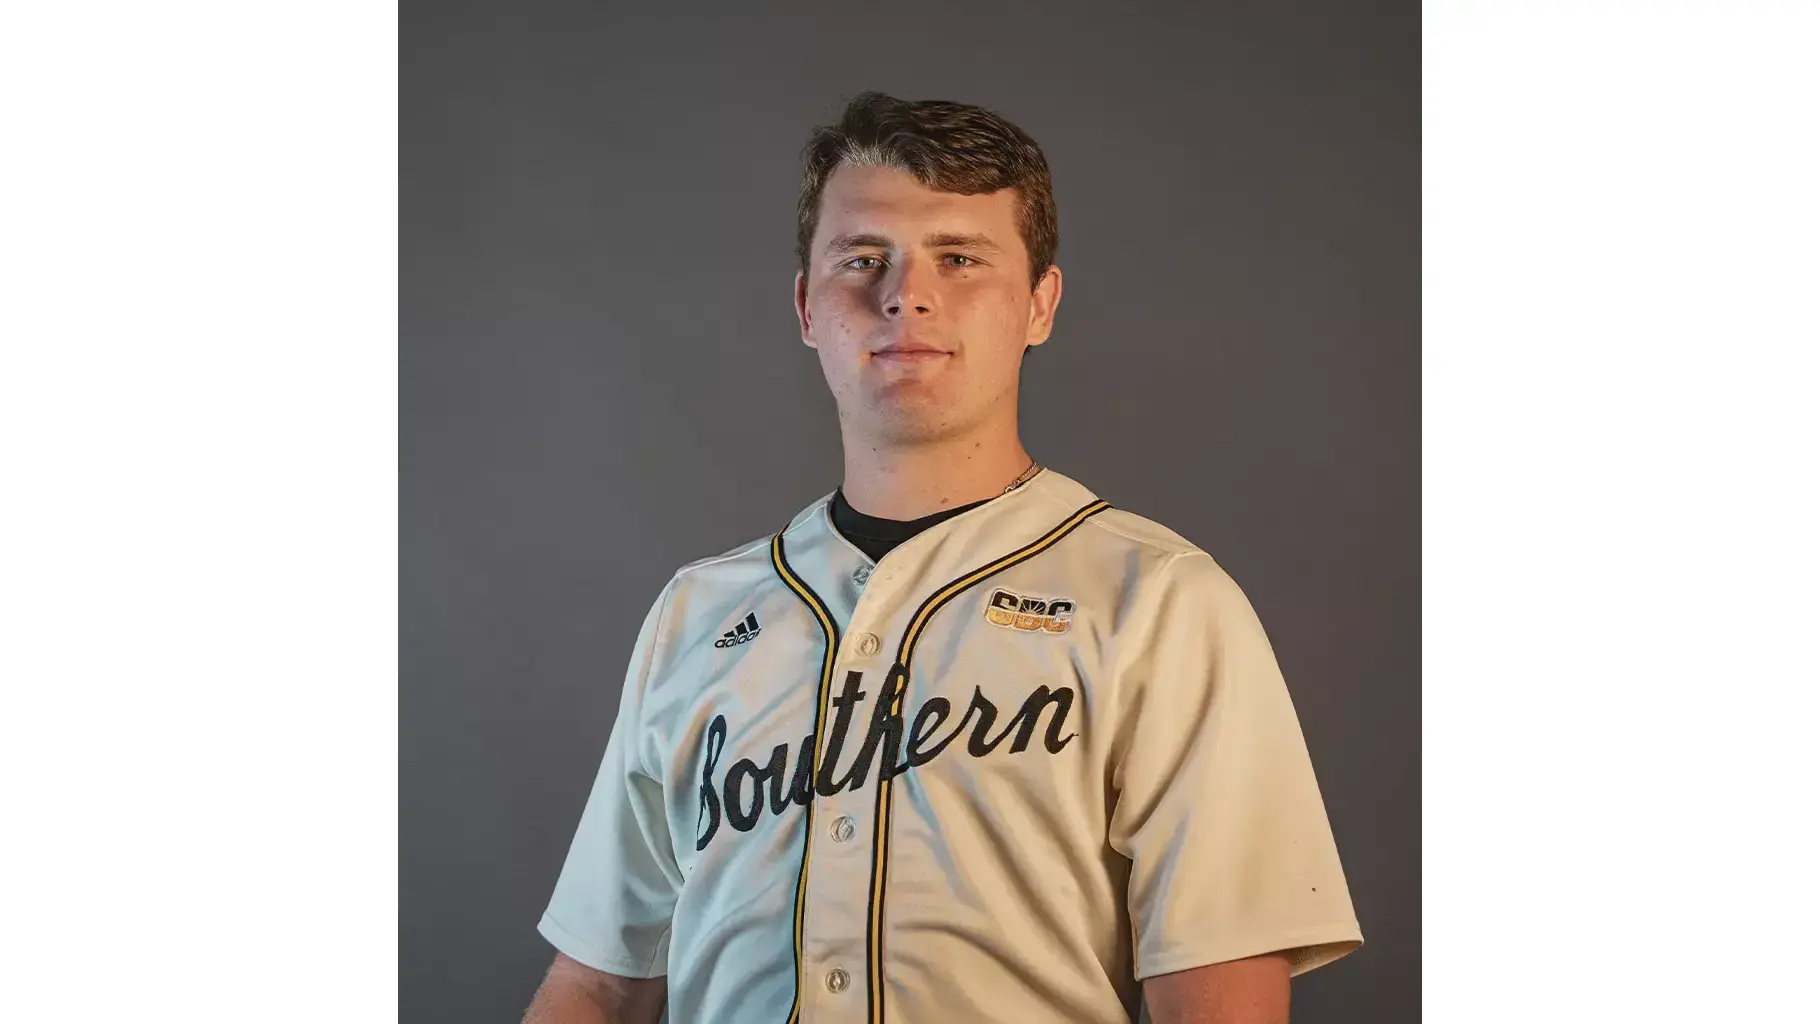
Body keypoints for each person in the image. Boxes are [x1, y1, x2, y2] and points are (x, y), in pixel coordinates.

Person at [522, 91, 1361, 1024]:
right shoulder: (698, 614)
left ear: (1040, 303)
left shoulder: (1159, 601)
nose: (906, 293)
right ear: (806, 307)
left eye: (959, 258)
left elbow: (1222, 996)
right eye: (862, 259)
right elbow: (596, 984)